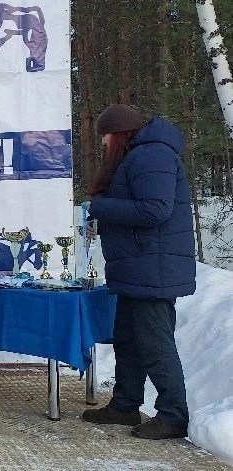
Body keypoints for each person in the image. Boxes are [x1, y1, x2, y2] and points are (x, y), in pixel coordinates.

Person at [80, 104, 195, 440]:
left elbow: (155, 210)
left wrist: (100, 207)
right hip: (138, 267)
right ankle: (125, 405)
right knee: (128, 341)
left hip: (152, 269)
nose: (103, 144)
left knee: (155, 345)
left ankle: (173, 415)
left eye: (105, 137)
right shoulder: (140, 155)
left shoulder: (152, 155)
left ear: (119, 134)